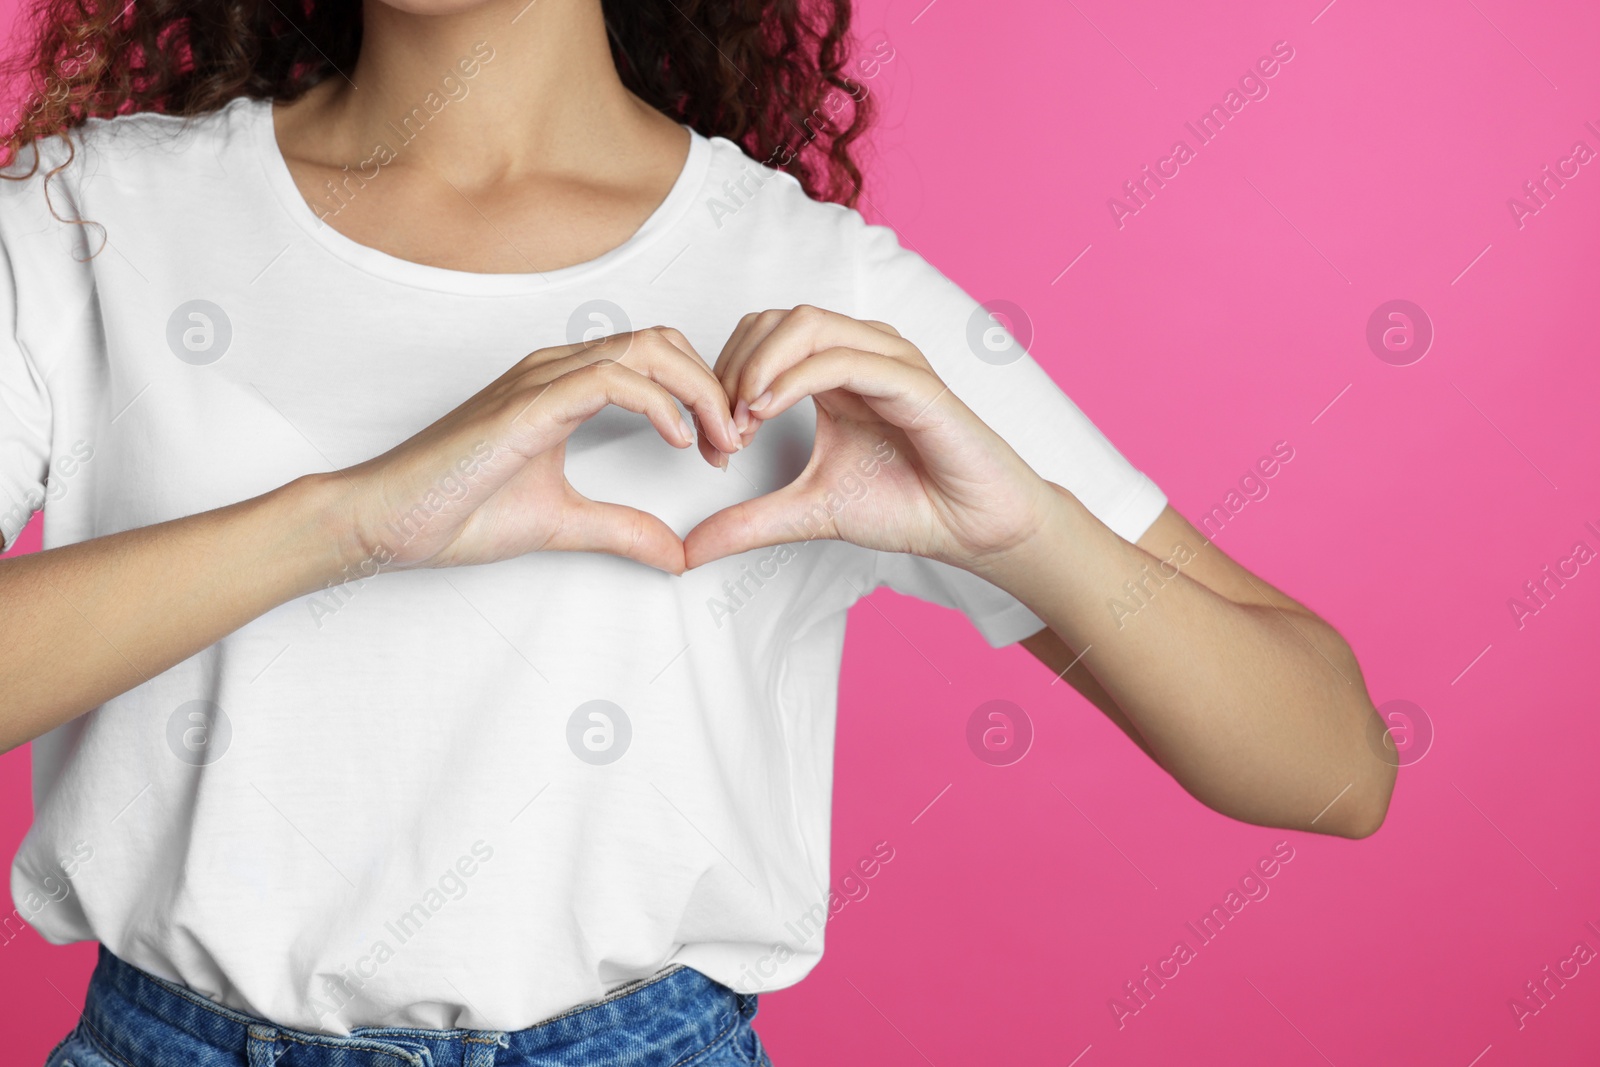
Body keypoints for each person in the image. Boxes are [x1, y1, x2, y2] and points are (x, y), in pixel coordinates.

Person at [0, 0, 1396, 1062]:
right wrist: (347, 522)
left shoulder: (813, 288)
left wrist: (1023, 533)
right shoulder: (89, 218)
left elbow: (1336, 767)